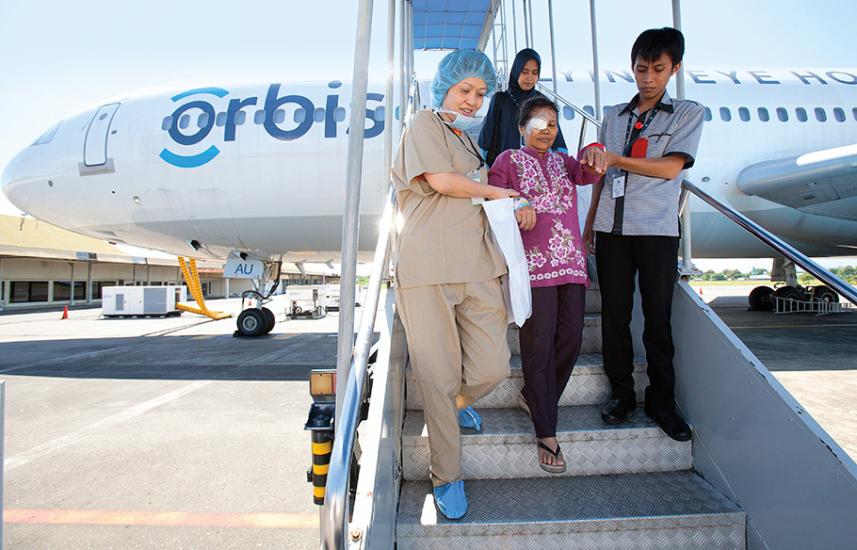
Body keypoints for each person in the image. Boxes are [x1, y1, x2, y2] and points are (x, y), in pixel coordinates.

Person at [390, 49, 519, 520]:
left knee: (493, 367)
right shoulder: (422, 124)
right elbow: (442, 182)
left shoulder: (469, 143)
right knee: (437, 378)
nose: (472, 100)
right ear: (443, 86)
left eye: (481, 93)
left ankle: (454, 404)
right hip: (426, 270)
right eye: (465, 90)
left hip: (476, 266)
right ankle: (446, 473)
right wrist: (492, 189)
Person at [582, 27, 704, 441]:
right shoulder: (614, 115)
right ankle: (621, 395)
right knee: (615, 316)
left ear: (674, 68)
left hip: (655, 230)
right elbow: (602, 176)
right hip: (611, 229)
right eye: (640, 68)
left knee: (657, 318)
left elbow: (670, 168)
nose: (648, 78)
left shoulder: (688, 113)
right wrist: (588, 225)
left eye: (658, 69)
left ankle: (661, 401)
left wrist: (615, 158)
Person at [488, 96, 603, 473]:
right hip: (534, 267)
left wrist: (595, 150)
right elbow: (492, 198)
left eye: (552, 123)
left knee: (569, 340)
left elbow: (589, 173)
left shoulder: (563, 161)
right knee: (538, 345)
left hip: (571, 263)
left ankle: (534, 396)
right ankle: (547, 432)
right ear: (522, 128)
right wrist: (517, 200)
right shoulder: (508, 160)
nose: (546, 129)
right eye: (538, 122)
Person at [478, 48, 568, 166]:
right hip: (505, 168)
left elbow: (557, 139)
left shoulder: (542, 101)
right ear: (516, 71)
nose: (529, 77)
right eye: (524, 72)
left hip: (535, 171)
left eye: (534, 73)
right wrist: (484, 166)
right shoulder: (501, 99)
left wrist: (562, 165)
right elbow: (486, 136)